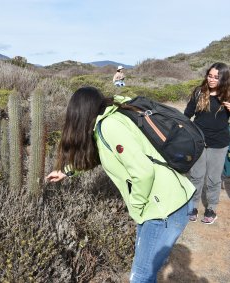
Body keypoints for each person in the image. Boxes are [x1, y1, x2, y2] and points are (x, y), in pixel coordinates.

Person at [46, 86, 195, 282]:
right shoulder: (108, 119)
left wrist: (136, 204)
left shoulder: (110, 126)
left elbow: (143, 172)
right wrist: (66, 171)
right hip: (162, 203)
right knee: (143, 271)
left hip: (164, 208)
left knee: (140, 276)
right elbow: (102, 156)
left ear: (79, 112)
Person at [184, 62, 230, 224]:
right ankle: (193, 206)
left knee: (213, 178)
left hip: (219, 143)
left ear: (224, 79)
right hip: (199, 141)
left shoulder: (228, 95)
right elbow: (187, 115)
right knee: (196, 176)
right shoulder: (199, 92)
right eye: (209, 76)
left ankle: (211, 208)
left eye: (216, 77)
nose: (211, 80)